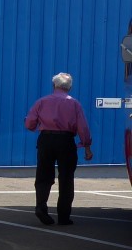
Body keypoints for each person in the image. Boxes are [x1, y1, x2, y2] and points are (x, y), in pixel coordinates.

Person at [24, 72, 93, 226]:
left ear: (54, 85)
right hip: (66, 141)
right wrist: (87, 147)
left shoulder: (42, 101)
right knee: (66, 178)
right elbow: (82, 127)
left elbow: (29, 124)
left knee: (43, 174)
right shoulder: (74, 103)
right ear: (69, 87)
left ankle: (41, 207)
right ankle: (63, 216)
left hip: (46, 139)